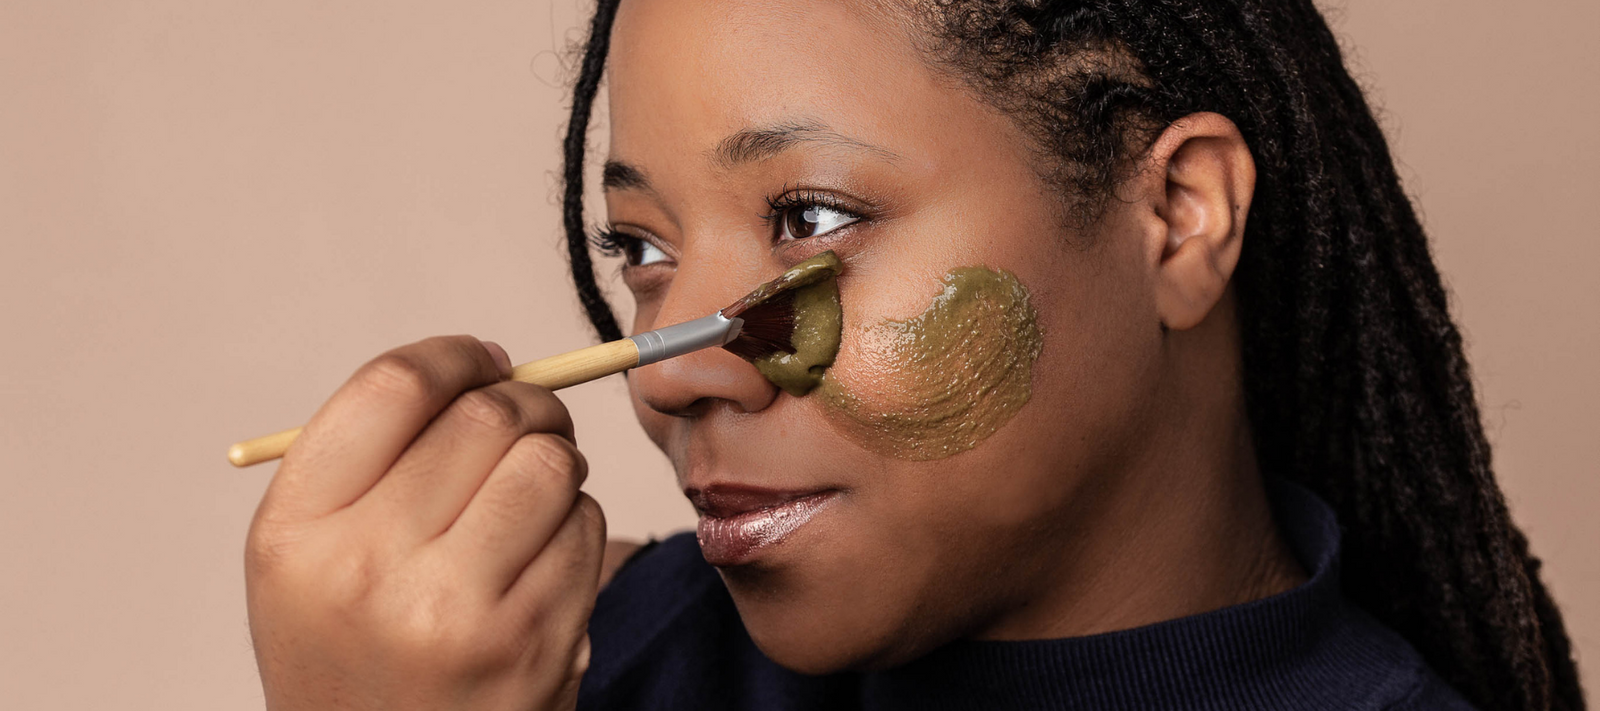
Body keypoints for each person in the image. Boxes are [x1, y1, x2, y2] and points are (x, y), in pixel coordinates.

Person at [243, 1, 1586, 709]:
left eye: (811, 216)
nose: (668, 366)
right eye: (641, 248)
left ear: (1175, 217)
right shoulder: (593, 660)